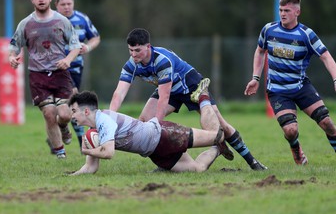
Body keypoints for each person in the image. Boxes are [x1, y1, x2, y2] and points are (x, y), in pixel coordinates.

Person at [110, 28, 267, 170]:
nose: (134, 55)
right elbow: (119, 93)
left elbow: (164, 97)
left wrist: (157, 125)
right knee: (145, 121)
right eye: (131, 50)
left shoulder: (162, 61)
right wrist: (110, 117)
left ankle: (252, 162)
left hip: (192, 85)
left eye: (138, 50)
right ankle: (169, 164)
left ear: (148, 46)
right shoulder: (131, 64)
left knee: (221, 126)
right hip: (171, 90)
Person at [244, 0, 336, 165]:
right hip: (277, 91)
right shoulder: (269, 30)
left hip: (301, 87)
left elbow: (326, 57)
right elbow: (260, 51)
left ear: (297, 12)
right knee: (291, 130)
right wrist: (255, 78)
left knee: (327, 123)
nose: (282, 14)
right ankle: (296, 151)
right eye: (281, 10)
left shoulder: (306, 35)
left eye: (287, 10)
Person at [69, 87, 226, 175]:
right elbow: (91, 168)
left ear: (87, 111)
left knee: (217, 135)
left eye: (74, 111)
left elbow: (109, 153)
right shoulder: (92, 131)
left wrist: (88, 151)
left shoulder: (104, 121)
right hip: (154, 151)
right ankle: (217, 149)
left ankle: (203, 97)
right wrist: (71, 176)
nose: (72, 116)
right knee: (197, 170)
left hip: (165, 134)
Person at [8, 0, 81, 159]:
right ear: (32, 0)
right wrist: (12, 57)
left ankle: (63, 127)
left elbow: (75, 46)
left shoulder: (62, 21)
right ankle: (60, 153)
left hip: (60, 74)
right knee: (49, 114)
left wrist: (67, 60)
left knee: (64, 114)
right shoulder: (25, 24)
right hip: (38, 75)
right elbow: (14, 46)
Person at [50, 0, 100, 150]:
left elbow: (95, 37)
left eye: (69, 4)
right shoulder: (50, 20)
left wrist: (88, 46)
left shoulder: (82, 19)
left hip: (76, 66)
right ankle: (81, 141)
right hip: (55, 67)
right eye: (63, 4)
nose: (66, 7)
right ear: (56, 5)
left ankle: (61, 128)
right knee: (73, 98)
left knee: (68, 106)